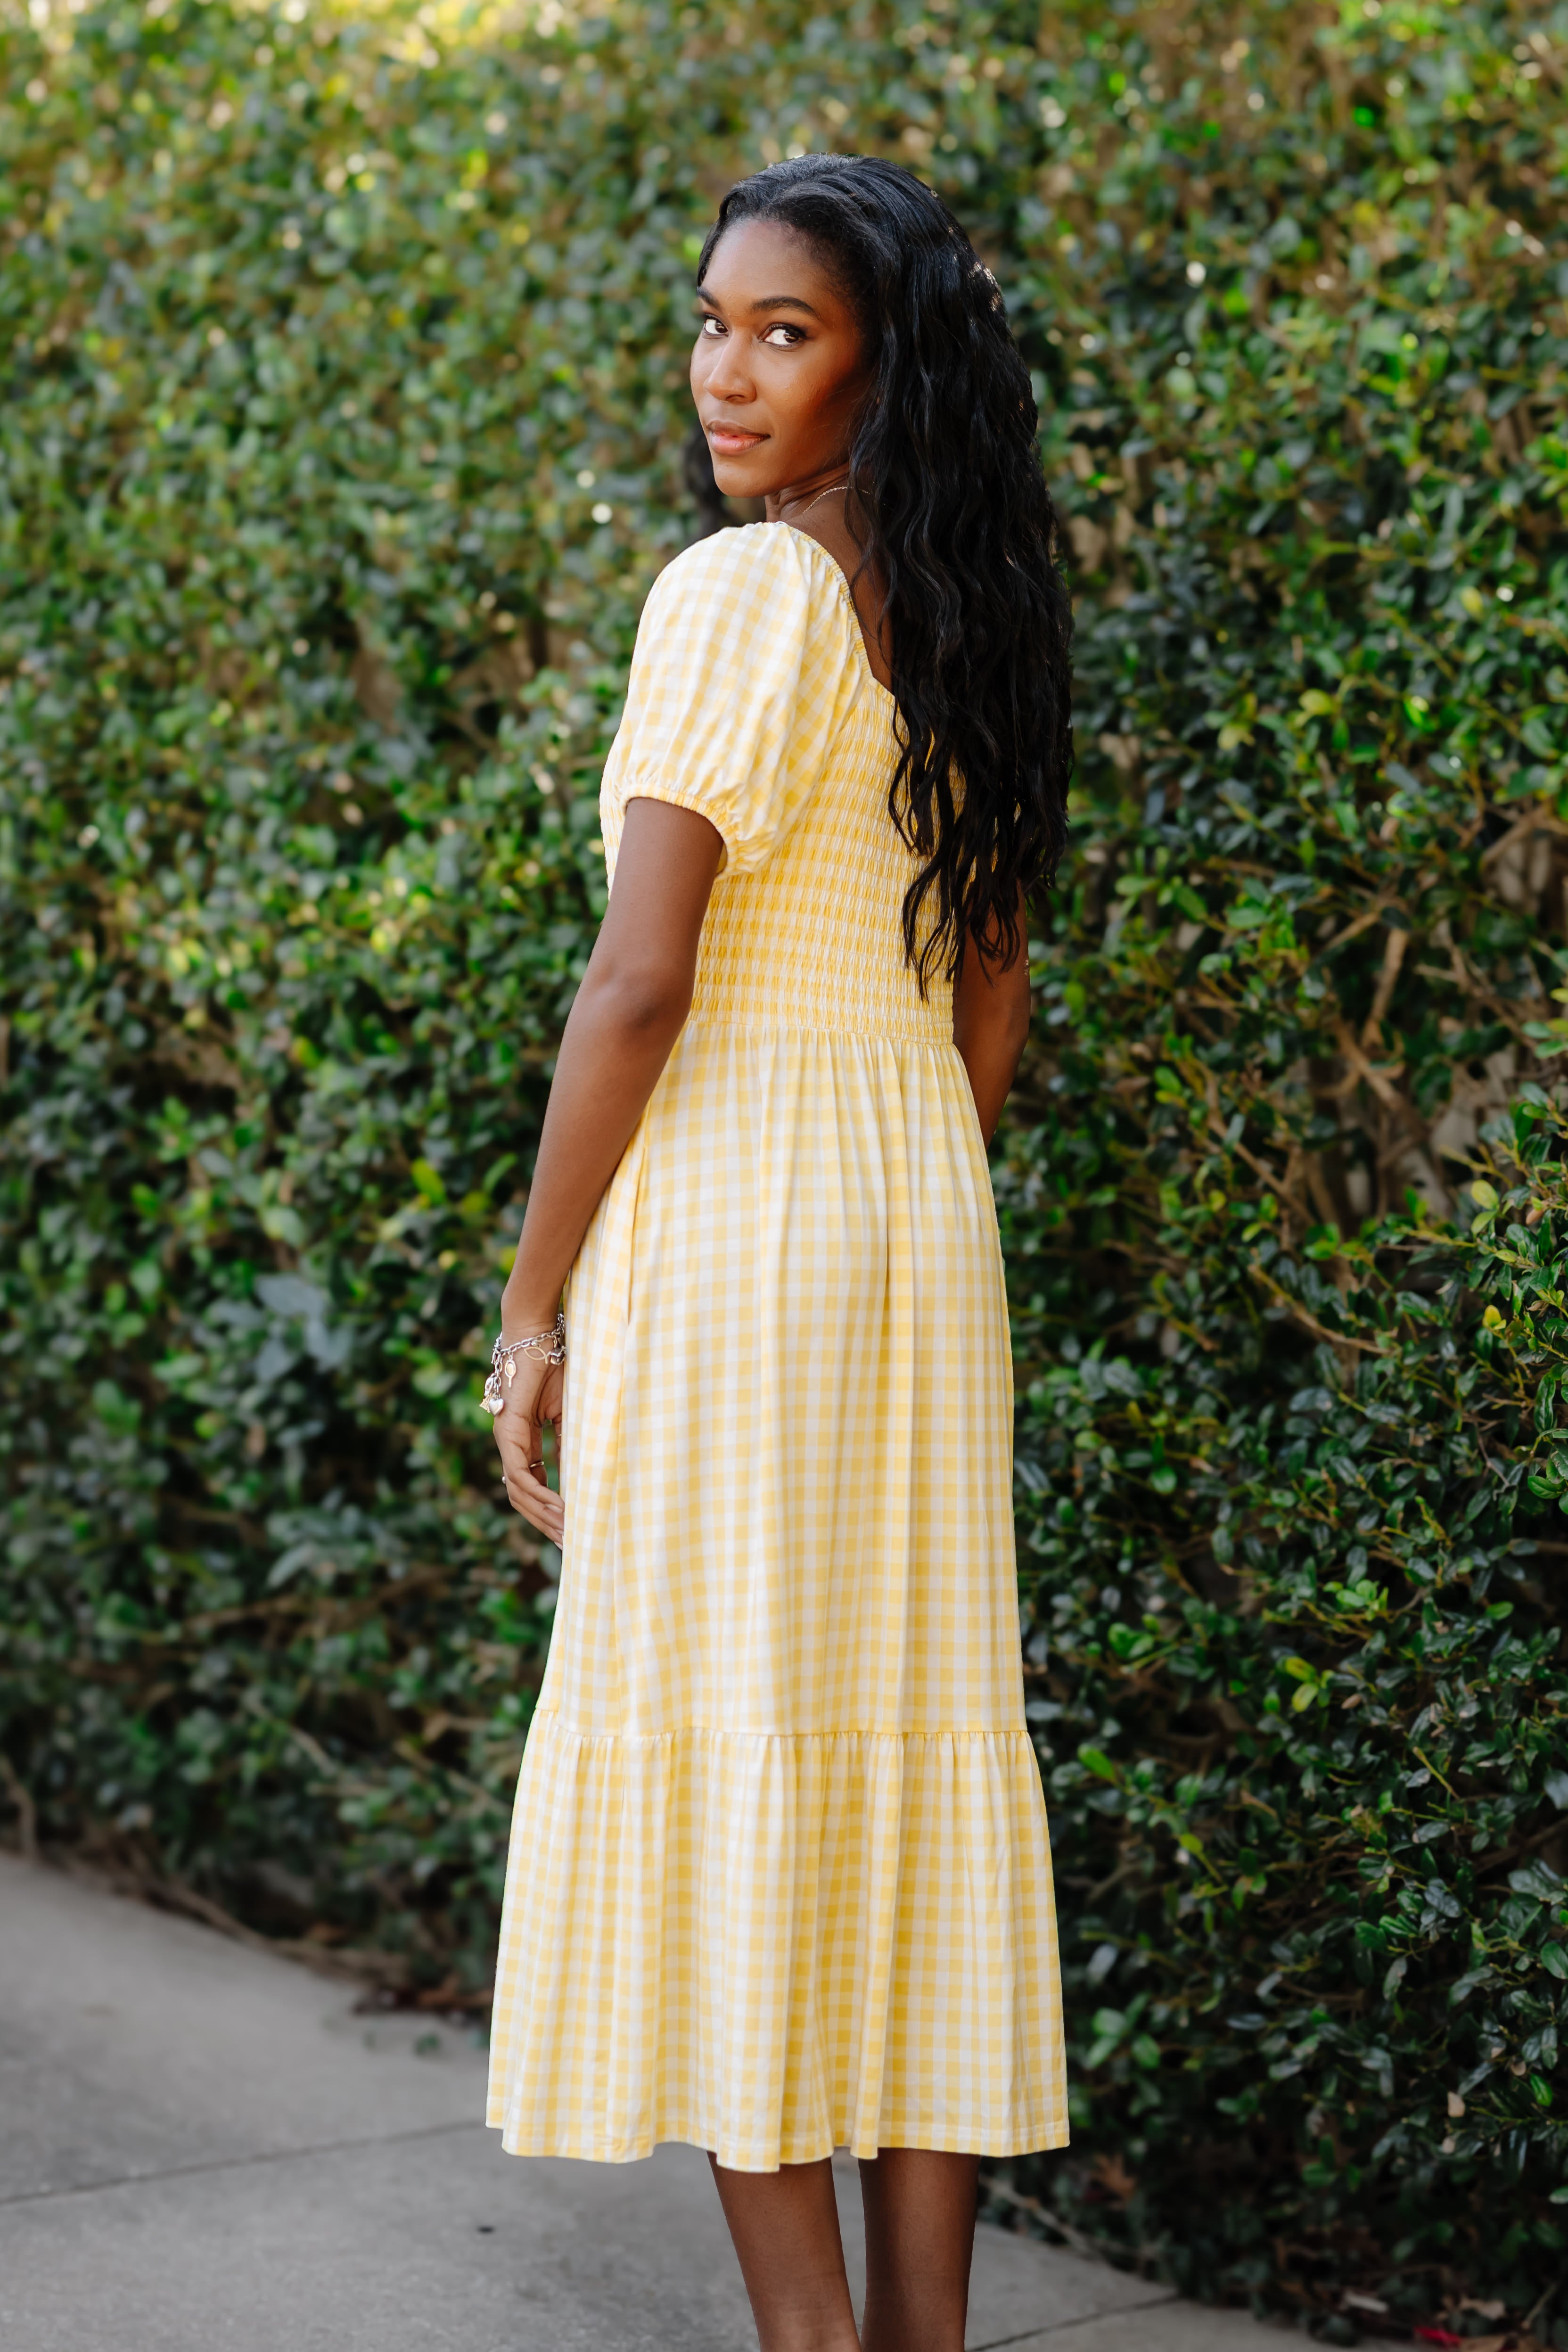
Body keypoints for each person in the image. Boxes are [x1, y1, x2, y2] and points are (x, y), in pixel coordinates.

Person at [484, 153, 1073, 2352]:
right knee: (911, 1759)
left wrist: (533, 1306)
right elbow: (988, 988)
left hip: (738, 1205)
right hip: (916, 1206)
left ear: (880, 362)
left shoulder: (736, 597)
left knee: (741, 1748)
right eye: (713, 323)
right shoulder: (978, 612)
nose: (725, 372)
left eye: (784, 331)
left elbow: (638, 988)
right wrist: (906, 1195)